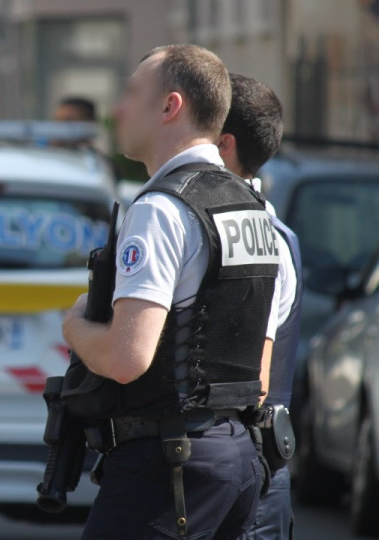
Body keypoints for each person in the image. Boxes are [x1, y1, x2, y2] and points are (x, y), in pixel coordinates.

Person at [62, 44, 282, 539]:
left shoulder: (161, 210)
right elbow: (258, 374)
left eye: (132, 93)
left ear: (170, 107)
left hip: (169, 467)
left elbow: (126, 358)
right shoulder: (254, 209)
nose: (118, 108)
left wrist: (74, 326)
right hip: (238, 462)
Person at [217, 73, 302, 540]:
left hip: (250, 482)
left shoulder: (255, 237)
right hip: (254, 472)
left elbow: (256, 380)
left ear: (223, 145)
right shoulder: (265, 229)